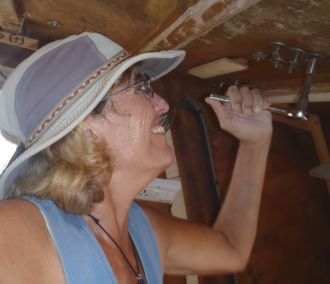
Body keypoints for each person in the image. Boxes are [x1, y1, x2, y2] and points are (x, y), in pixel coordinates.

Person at [0, 32, 272, 284]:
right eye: (141, 88)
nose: (163, 104)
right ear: (89, 129)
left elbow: (232, 250)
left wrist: (255, 143)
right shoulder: (17, 230)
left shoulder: (145, 230)